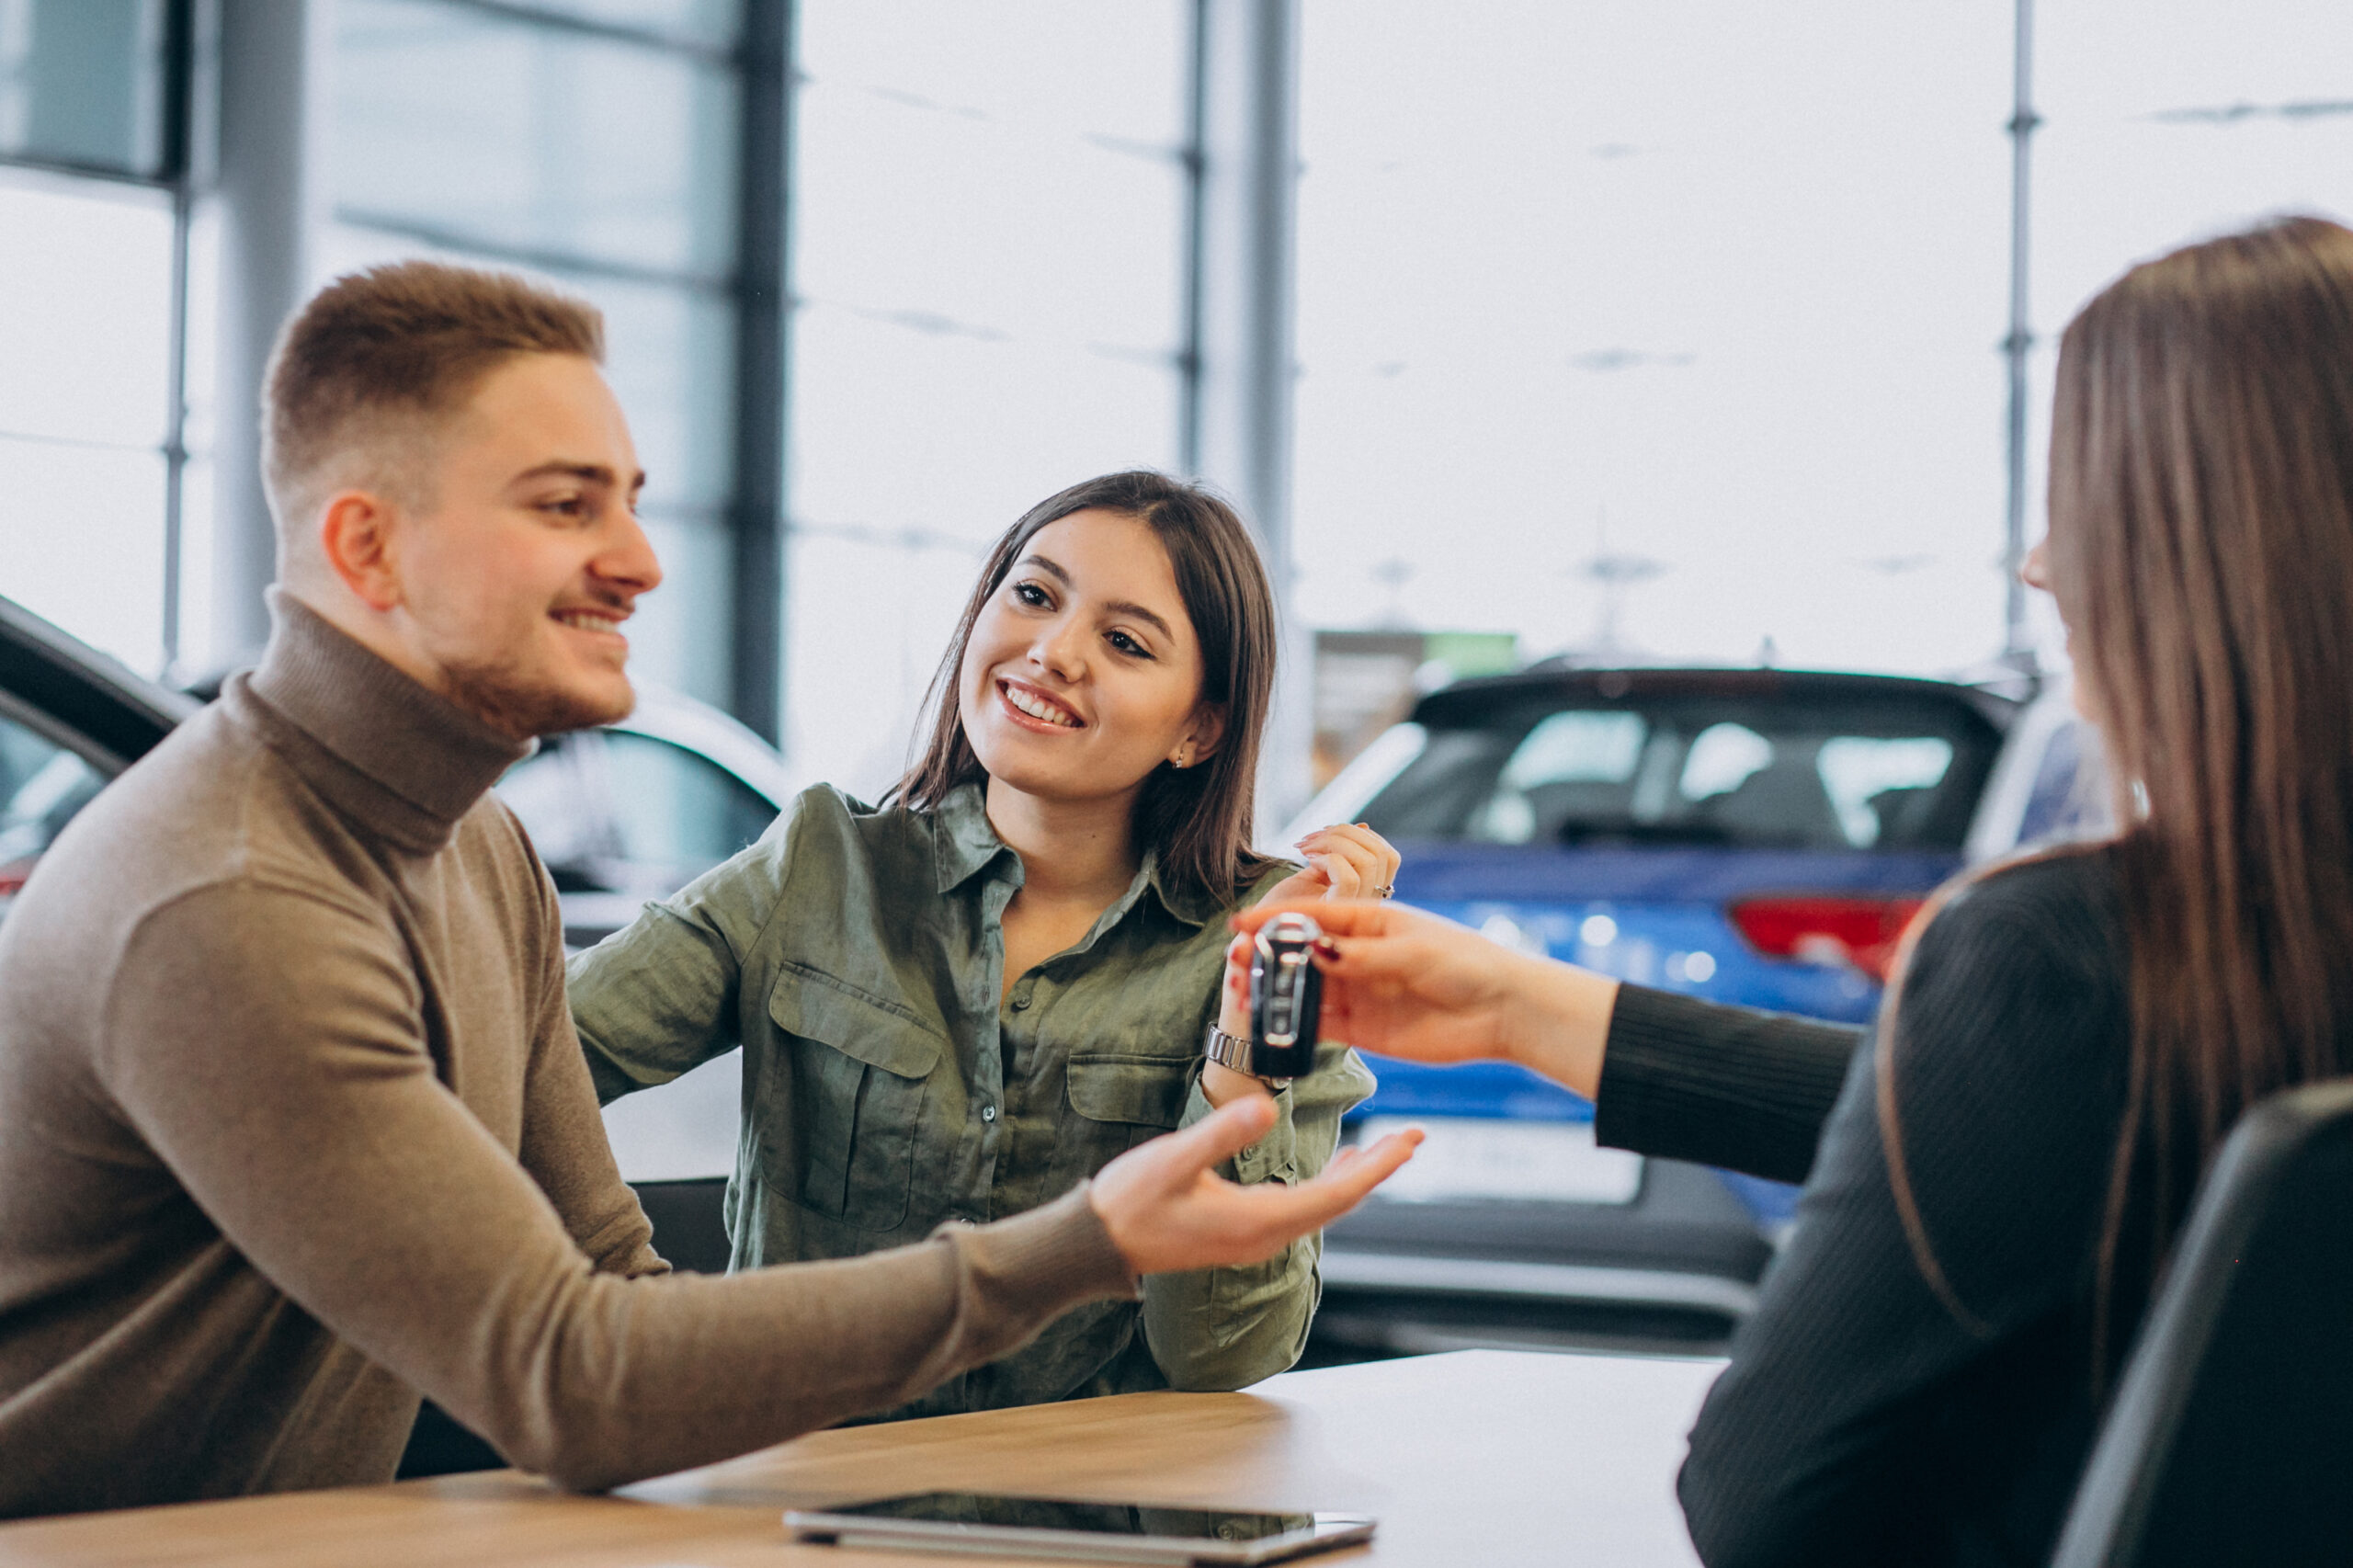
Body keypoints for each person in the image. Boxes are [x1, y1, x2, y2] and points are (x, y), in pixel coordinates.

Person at [0, 261, 1419, 1520]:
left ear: (1201, 725)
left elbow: (610, 1278)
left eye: (629, 502)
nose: (641, 561)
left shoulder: (478, 851)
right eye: (567, 506)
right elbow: (572, 1370)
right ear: (367, 549)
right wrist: (1077, 1247)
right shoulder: (234, 896)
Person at [1231, 215, 2353, 1567]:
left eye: (2081, 502)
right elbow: (2017, 1113)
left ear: (2198, 555)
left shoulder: (2066, 949)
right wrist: (1531, 1012)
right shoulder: (2250, 954)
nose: (2041, 568)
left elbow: (1768, 1504)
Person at [568, 470, 1400, 1419]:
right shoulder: (819, 864)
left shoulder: (1263, 937)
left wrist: (1249, 1039)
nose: (1052, 652)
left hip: (1108, 1521)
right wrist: (615, 1278)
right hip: (813, 1501)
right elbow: (531, 1062)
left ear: (1198, 730)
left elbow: (1223, 1353)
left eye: (1124, 642)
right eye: (1034, 595)